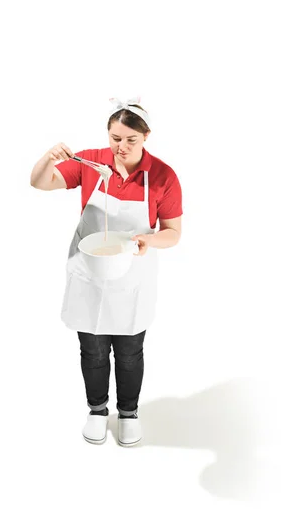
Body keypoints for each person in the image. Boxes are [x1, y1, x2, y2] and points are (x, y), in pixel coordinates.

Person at [30, 97, 183, 447]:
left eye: (131, 139)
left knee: (129, 352)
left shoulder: (162, 175)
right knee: (93, 350)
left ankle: (128, 412)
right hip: (89, 272)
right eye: (116, 138)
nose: (121, 147)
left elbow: (173, 233)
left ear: (146, 137)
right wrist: (47, 159)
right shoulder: (91, 162)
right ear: (108, 134)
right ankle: (97, 410)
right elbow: (41, 182)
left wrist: (149, 240)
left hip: (132, 276)